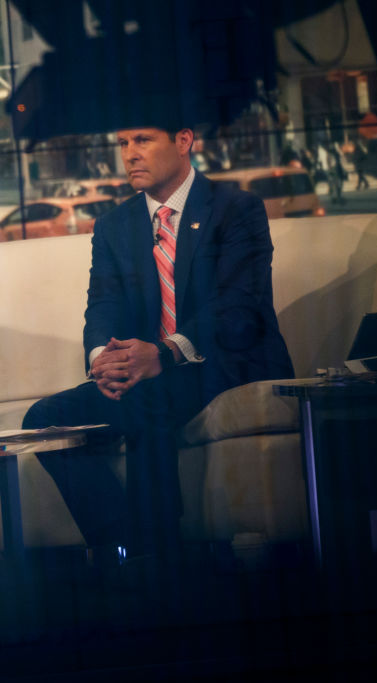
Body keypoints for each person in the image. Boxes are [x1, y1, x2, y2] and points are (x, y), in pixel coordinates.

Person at [22, 125, 294, 565]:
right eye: (122, 143)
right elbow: (103, 305)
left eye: (142, 140)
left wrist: (166, 352)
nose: (130, 154)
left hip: (229, 362)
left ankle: (153, 555)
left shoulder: (236, 208)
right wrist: (104, 360)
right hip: (148, 371)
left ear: (183, 141)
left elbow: (237, 307)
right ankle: (123, 544)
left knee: (149, 399)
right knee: (45, 419)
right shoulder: (114, 225)